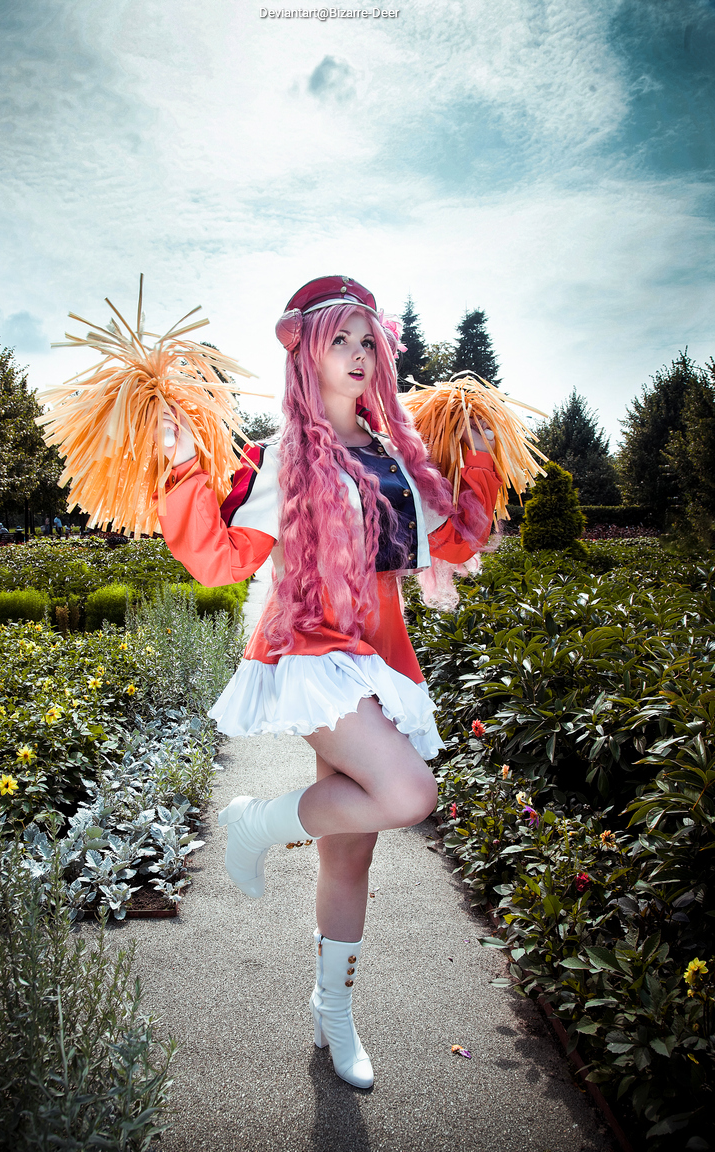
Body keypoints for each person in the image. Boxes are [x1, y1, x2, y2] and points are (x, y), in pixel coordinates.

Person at [157, 276, 501, 1089]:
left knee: (351, 857)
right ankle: (256, 822)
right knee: (409, 793)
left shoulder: (397, 457)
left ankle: (333, 1012)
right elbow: (219, 557)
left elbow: (455, 542)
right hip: (314, 649)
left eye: (367, 341)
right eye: (338, 340)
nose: (356, 354)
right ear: (306, 354)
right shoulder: (281, 457)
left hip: (383, 653)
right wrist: (180, 464)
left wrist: (481, 457)